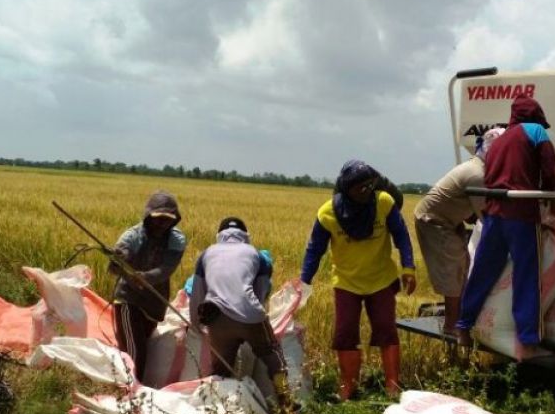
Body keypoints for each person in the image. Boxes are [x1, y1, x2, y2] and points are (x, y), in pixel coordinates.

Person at [455, 95, 555, 360]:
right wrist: (552, 193)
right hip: (521, 214)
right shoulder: (535, 131)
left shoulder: (498, 140)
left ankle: (463, 327)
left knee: (482, 271)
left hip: (493, 214)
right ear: (536, 116)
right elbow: (549, 168)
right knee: (527, 275)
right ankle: (528, 340)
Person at [301, 160, 416, 400]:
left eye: (368, 186)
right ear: (346, 189)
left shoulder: (384, 202)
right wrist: (304, 282)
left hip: (381, 280)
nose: (365, 192)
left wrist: (409, 268)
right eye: (359, 188)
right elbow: (315, 250)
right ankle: (348, 387)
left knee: (386, 331)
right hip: (346, 283)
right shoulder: (328, 213)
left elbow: (402, 236)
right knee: (345, 335)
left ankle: (393, 386)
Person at [414, 127, 503, 333]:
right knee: (453, 270)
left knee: (464, 266)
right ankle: (452, 325)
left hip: (450, 220)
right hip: (435, 221)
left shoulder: (478, 166)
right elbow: (487, 218)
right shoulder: (478, 175)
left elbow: (474, 212)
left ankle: (461, 318)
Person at [189, 217, 286, 389]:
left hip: (216, 318)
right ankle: (287, 401)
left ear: (219, 235)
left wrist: (196, 325)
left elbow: (197, 293)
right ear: (245, 235)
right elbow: (261, 292)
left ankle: (217, 406)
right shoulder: (256, 255)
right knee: (272, 354)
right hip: (250, 315)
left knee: (221, 369)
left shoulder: (206, 254)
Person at [109, 191, 186, 385]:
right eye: (158, 219)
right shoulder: (132, 236)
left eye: (167, 220)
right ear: (148, 217)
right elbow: (115, 266)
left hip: (154, 303)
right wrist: (120, 258)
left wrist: (145, 277)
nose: (162, 224)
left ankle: (127, 385)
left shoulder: (176, 240)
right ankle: (131, 393)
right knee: (136, 351)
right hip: (129, 299)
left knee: (140, 348)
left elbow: (166, 268)